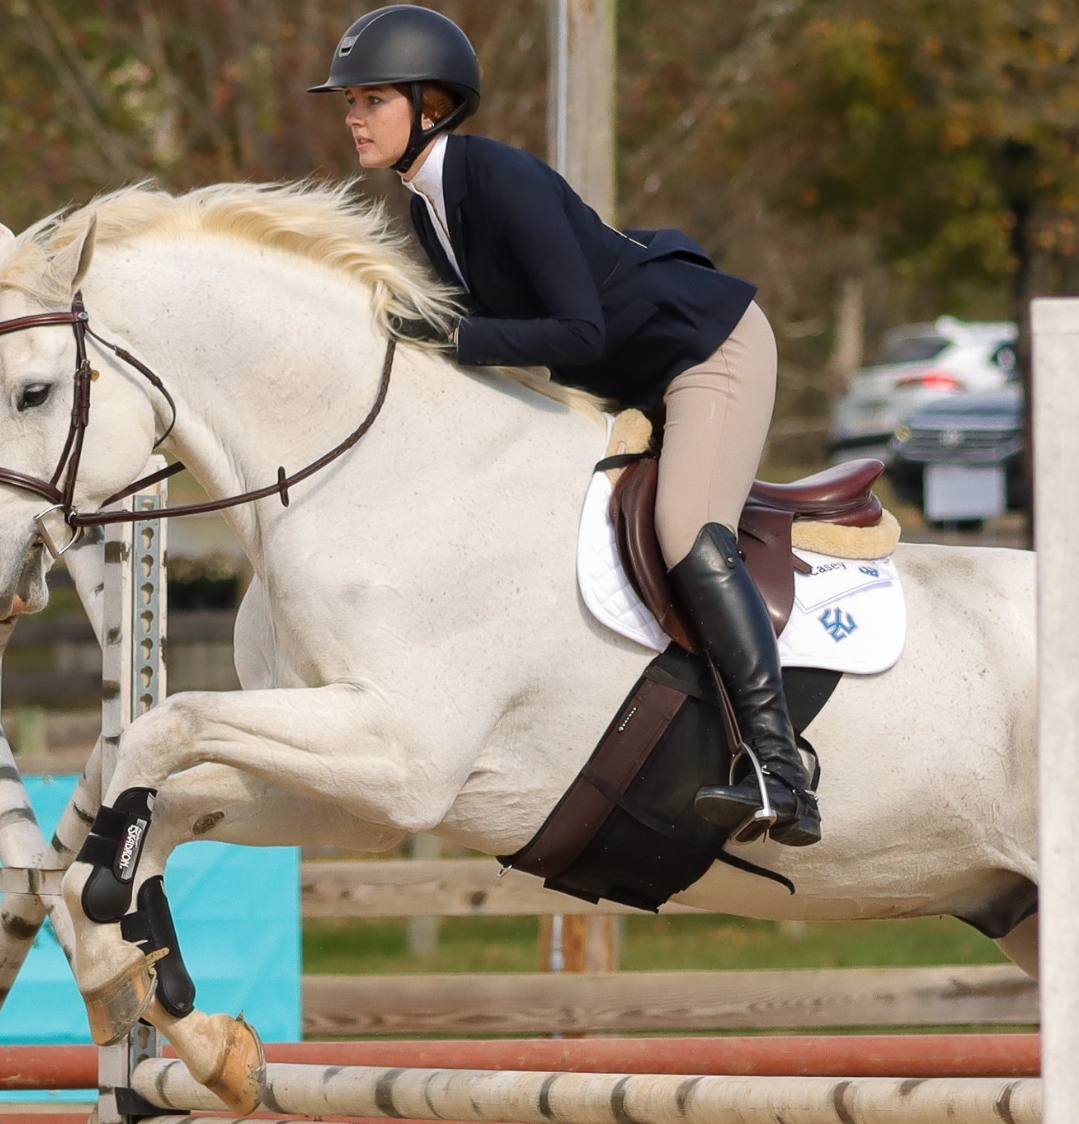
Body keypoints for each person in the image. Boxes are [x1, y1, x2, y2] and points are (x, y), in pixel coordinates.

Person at [310, 4, 820, 846]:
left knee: (687, 529)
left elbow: (576, 332)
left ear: (429, 106)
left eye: (370, 99)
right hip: (641, 378)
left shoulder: (496, 179)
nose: (353, 117)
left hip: (707, 351)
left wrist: (454, 335)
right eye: (350, 102)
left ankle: (779, 770)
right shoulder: (427, 208)